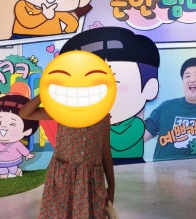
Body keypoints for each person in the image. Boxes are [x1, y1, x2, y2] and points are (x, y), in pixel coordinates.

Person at [19, 95, 114, 219]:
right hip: (63, 180)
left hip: (91, 182)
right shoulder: (62, 110)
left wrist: (111, 185)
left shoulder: (102, 115)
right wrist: (44, 93)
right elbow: (25, 113)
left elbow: (105, 152)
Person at [60, 26, 160, 163]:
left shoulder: (136, 124)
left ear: (149, 88)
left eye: (114, 83)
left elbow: (119, 143)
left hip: (129, 163)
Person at [0, 94, 38, 178]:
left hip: (13, 159)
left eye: (12, 124)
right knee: (3, 171)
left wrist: (27, 154)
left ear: (26, 131)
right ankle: (3, 177)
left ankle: (17, 171)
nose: (3, 127)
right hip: (0, 159)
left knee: (13, 169)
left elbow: (21, 148)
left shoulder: (15, 143)